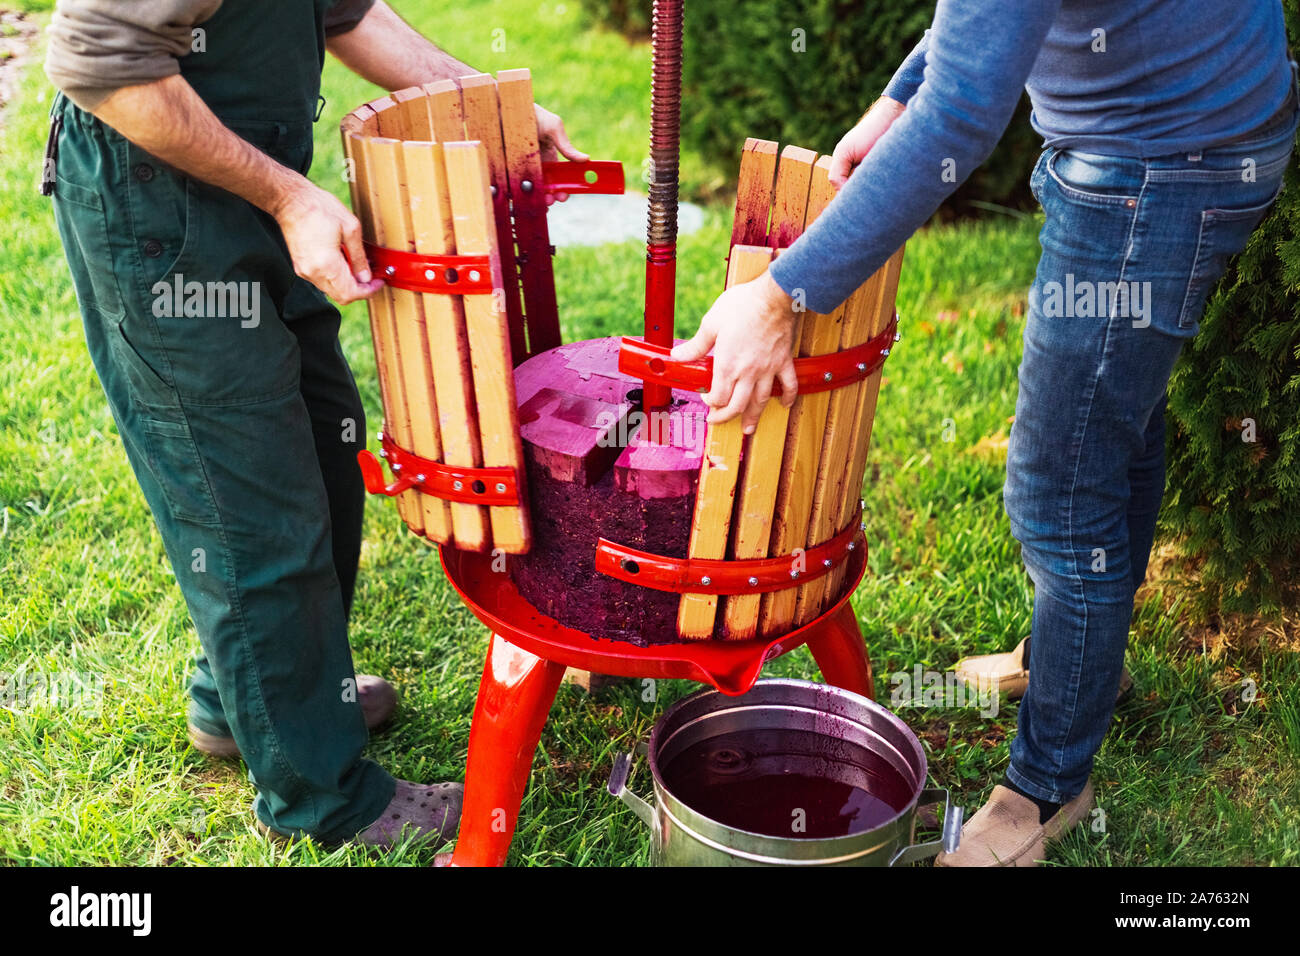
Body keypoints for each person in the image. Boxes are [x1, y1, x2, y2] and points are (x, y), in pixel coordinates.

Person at [672, 0, 1298, 866]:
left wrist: (782, 294)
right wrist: (896, 99)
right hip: (1192, 136)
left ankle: (1048, 787)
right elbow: (984, 26)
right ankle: (1076, 666)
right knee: (1119, 420)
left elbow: (961, 118)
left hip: (1161, 168)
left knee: (1058, 490)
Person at [43, 0, 586, 849]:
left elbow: (345, 10)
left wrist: (490, 104)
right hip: (155, 200)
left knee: (324, 442)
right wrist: (289, 196)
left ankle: (246, 703)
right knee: (251, 501)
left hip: (244, 182)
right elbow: (99, 60)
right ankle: (325, 801)